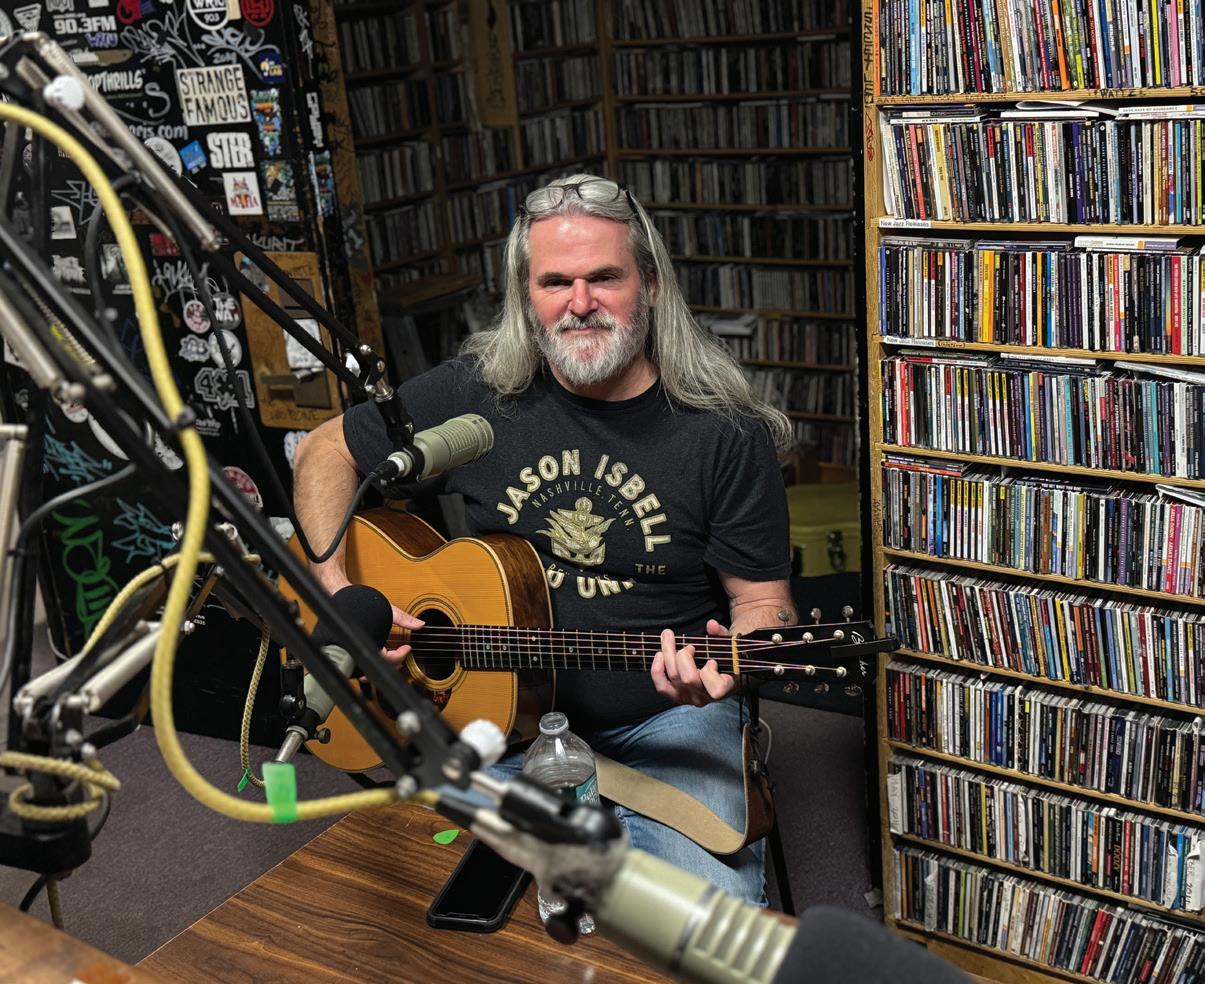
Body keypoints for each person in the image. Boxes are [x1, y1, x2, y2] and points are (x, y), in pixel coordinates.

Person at [293, 174, 797, 903]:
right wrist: (338, 591)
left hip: (668, 722)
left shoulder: (724, 431)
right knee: (400, 902)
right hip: (498, 718)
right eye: (555, 282)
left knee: (696, 928)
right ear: (525, 297)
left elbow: (763, 604)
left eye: (604, 278)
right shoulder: (475, 394)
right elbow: (324, 451)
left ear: (650, 285)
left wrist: (729, 668)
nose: (579, 302)